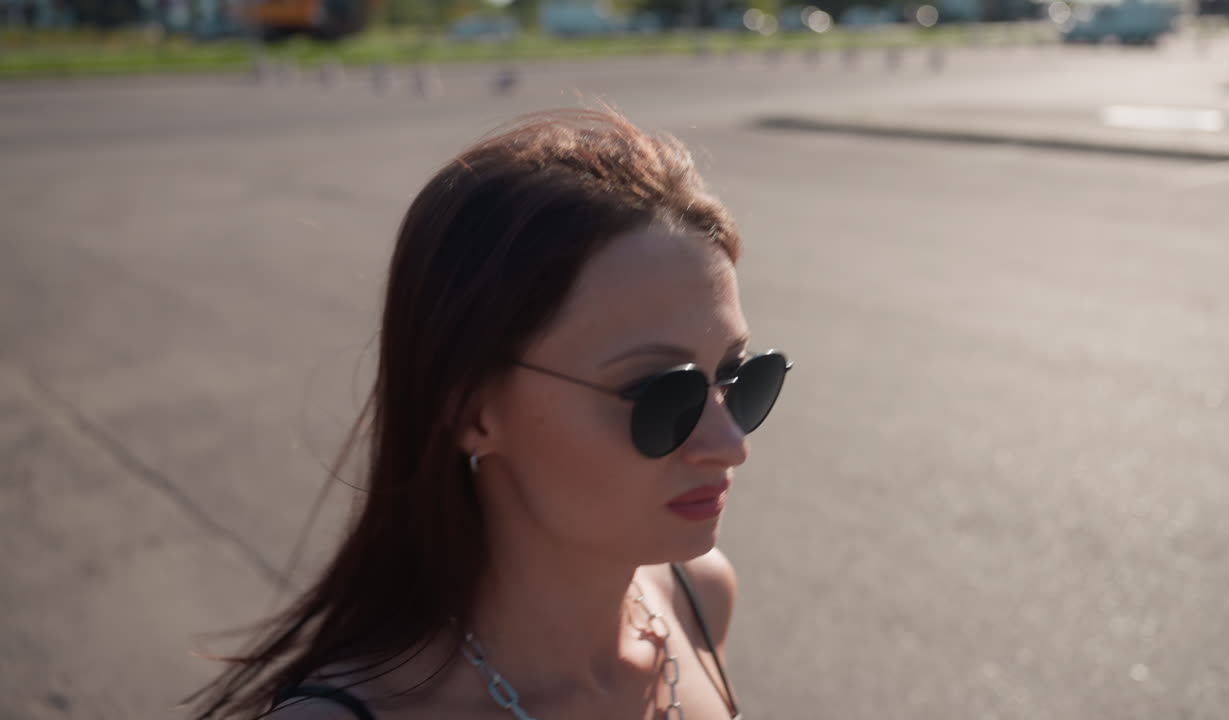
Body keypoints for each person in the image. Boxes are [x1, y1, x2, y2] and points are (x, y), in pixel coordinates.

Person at [184, 108, 791, 720]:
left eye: (738, 377)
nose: (730, 442)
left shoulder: (700, 597)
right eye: (661, 394)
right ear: (471, 410)